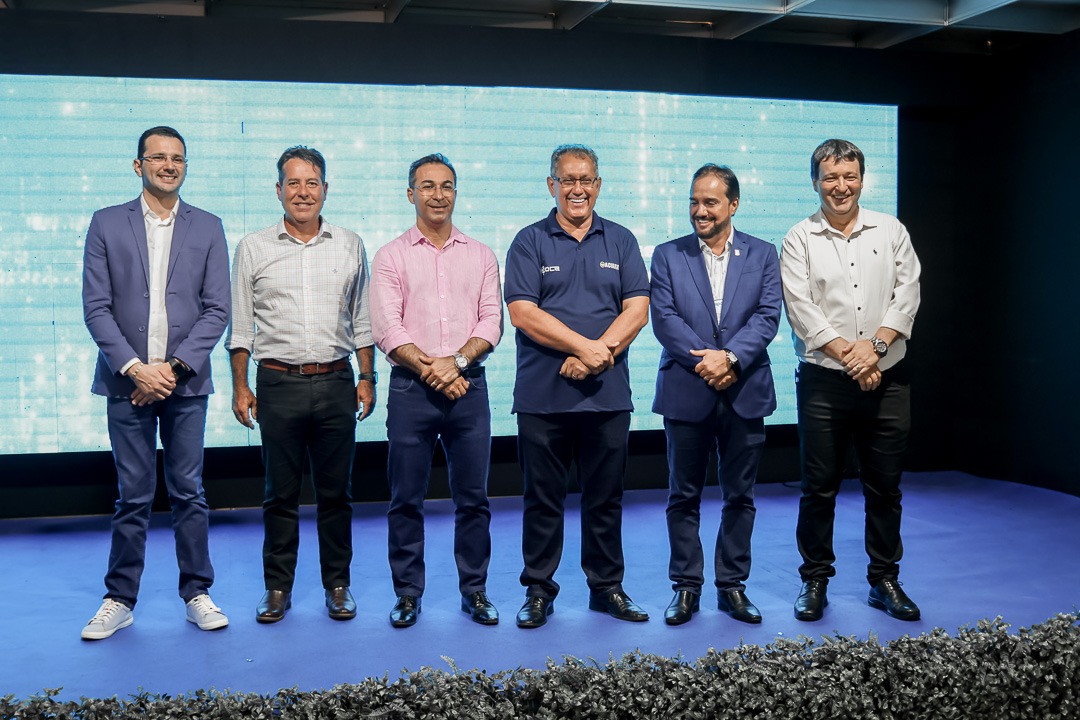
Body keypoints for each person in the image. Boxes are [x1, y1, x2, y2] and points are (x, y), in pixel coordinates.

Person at [80, 125, 231, 640]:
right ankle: (119, 600)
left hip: (184, 385)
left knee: (189, 492)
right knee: (133, 495)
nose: (169, 165)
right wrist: (135, 368)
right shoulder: (106, 222)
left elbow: (217, 310)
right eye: (158, 157)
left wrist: (170, 369)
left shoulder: (208, 226)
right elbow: (96, 308)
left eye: (177, 158)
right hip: (126, 383)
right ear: (138, 165)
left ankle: (197, 594)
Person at [226, 146, 376, 624]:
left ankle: (338, 586)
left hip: (336, 381)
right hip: (277, 383)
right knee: (279, 495)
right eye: (293, 183)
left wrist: (368, 377)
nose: (303, 192)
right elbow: (241, 328)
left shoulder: (350, 243)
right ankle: (277, 588)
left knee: (337, 495)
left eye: (312, 183)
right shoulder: (253, 247)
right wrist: (240, 386)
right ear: (278, 190)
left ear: (325, 190)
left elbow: (363, 321)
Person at [504, 144, 651, 629]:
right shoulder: (529, 241)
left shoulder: (621, 240)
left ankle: (606, 588)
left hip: (607, 397)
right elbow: (523, 313)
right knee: (541, 500)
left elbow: (637, 309)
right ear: (552, 185)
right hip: (542, 399)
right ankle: (538, 591)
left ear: (598, 185)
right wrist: (584, 348)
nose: (577, 189)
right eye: (567, 180)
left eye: (586, 179)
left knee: (605, 500)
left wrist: (595, 355)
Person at [780, 138, 922, 622]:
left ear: (862, 179)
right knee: (818, 488)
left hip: (889, 378)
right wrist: (853, 357)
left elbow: (908, 294)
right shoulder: (799, 237)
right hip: (824, 383)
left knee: (885, 487)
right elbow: (801, 309)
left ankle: (884, 580)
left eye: (850, 176)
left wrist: (874, 349)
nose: (841, 186)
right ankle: (815, 579)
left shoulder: (891, 229)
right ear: (815, 181)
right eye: (831, 177)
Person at [370, 153, 503, 628]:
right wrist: (435, 370)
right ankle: (408, 594)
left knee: (474, 500)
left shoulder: (481, 255)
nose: (438, 195)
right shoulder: (390, 255)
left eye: (446, 186)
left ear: (456, 193)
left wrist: (457, 363)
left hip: (470, 388)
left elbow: (492, 321)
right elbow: (386, 327)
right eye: (427, 186)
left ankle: (475, 591)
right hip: (412, 390)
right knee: (406, 499)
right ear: (411, 194)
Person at [650, 164, 782, 625]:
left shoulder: (763, 253)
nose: (700, 210)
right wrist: (707, 362)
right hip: (687, 389)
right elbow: (664, 318)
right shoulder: (668, 254)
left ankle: (732, 587)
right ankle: (686, 587)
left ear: (733, 204)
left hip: (745, 390)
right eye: (694, 201)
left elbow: (768, 315)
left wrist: (730, 358)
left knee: (740, 496)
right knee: (682, 496)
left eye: (710, 202)